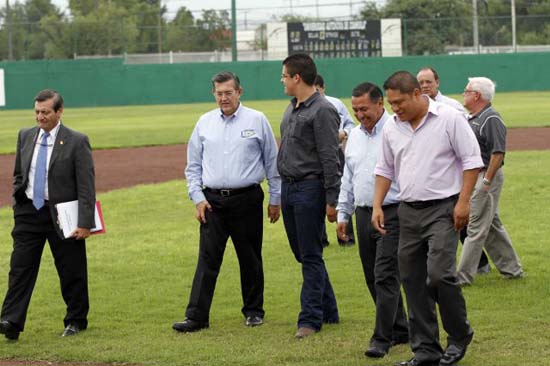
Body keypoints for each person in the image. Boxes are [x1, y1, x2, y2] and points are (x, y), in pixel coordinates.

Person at [373, 71, 483, 366]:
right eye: (391, 103)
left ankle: (459, 334)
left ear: (417, 95)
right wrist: (377, 205)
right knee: (411, 280)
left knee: (438, 274)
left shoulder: (449, 118)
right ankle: (425, 350)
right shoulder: (391, 128)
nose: (395, 108)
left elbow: (472, 161)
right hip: (407, 210)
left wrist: (463, 203)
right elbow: (384, 169)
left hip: (444, 208)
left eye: (399, 102)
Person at [173, 72, 281, 333]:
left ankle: (254, 311)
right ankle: (197, 317)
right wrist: (197, 197)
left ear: (239, 92)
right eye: (219, 93)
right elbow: (193, 166)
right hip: (212, 203)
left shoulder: (257, 120)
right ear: (214, 94)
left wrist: (276, 198)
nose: (224, 98)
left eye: (228, 93)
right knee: (207, 259)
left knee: (250, 257)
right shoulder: (204, 123)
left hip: (247, 199)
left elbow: (272, 161)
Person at [0, 89, 96, 341]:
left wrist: (85, 223)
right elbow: (19, 174)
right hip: (29, 213)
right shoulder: (26, 135)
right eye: (37, 112)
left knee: (71, 269)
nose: (40, 117)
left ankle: (76, 320)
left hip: (62, 215)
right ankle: (11, 320)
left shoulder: (77, 140)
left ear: (59, 111)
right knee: (20, 269)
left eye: (45, 112)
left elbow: (86, 185)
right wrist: (18, 202)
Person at [336, 82, 408, 358]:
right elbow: (348, 178)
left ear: (380, 104)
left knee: (385, 275)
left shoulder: (397, 130)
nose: (360, 114)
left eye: (364, 108)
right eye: (355, 109)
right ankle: (401, 328)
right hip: (363, 213)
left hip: (392, 212)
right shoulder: (353, 136)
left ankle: (382, 338)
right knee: (371, 276)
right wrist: (344, 213)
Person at [278, 54, 341, 338]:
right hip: (289, 188)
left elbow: (330, 156)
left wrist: (331, 199)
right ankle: (330, 310)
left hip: (310, 188)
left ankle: (310, 319)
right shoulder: (291, 109)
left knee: (311, 254)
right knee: (302, 253)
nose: (281, 80)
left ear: (297, 78)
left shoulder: (323, 110)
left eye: (284, 76)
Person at [417, 66, 491, 274]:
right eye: (421, 82)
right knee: (466, 222)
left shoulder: (452, 107)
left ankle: (479, 263)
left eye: (428, 82)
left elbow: (467, 144)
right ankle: (487, 263)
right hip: (430, 174)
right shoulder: (416, 109)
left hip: (455, 174)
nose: (424, 86)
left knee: (460, 220)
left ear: (437, 82)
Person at [456, 77, 523, 286]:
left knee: (474, 226)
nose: (463, 94)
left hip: (486, 176)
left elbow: (498, 153)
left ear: (477, 95)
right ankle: (512, 269)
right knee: (492, 224)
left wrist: (486, 182)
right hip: (476, 176)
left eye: (466, 91)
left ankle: (462, 277)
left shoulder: (491, 118)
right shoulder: (475, 117)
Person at [314, 74, 355, 247]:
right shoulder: (301, 106)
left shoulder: (335, 103)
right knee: (315, 194)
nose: (315, 93)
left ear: (323, 88)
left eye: (317, 89)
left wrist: (344, 133)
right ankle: (320, 239)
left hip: (335, 153)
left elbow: (350, 125)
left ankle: (346, 237)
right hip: (313, 157)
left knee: (343, 190)